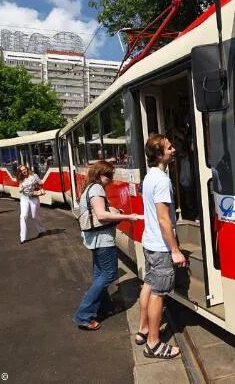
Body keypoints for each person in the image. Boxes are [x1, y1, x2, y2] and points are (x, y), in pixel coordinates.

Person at [73, 161, 142, 331]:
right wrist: (127, 217)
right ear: (99, 175)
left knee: (99, 276)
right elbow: (101, 215)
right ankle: (83, 315)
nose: (111, 179)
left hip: (95, 239)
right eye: (108, 175)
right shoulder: (96, 189)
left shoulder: (89, 188)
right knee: (109, 274)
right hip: (103, 239)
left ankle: (106, 308)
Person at [136, 134, 186, 359]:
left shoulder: (150, 177)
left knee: (148, 284)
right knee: (159, 293)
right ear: (158, 154)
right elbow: (164, 219)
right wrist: (175, 250)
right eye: (169, 148)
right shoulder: (163, 180)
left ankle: (143, 330)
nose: (173, 150)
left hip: (150, 242)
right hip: (160, 247)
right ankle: (153, 344)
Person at [17, 165, 47, 244]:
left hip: (34, 197)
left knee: (34, 216)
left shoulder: (34, 176)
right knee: (23, 216)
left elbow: (41, 183)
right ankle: (22, 237)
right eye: (22, 170)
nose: (24, 171)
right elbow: (19, 189)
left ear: (27, 169)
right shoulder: (20, 179)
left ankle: (41, 230)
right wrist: (21, 188)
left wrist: (39, 187)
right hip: (24, 198)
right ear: (20, 172)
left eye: (25, 169)